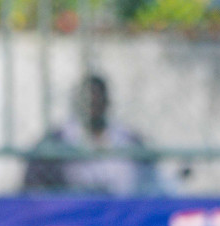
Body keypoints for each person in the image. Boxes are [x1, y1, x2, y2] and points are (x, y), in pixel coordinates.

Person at [21, 73, 160, 196]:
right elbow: (33, 185)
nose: (93, 105)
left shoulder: (129, 139)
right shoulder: (57, 140)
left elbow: (152, 181)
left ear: (107, 102)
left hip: (123, 215)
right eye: (88, 100)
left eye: (98, 99)